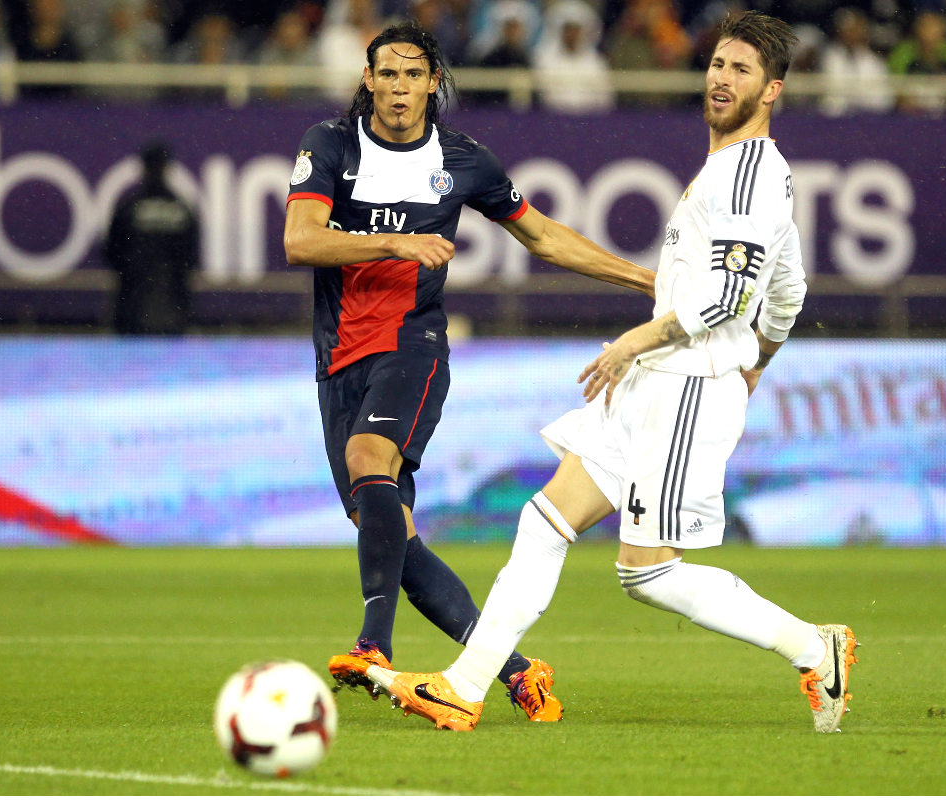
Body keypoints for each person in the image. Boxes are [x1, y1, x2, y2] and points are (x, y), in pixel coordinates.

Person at [364, 10, 859, 734]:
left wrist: (641, 343)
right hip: (660, 376)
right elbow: (787, 291)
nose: (722, 78)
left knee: (647, 572)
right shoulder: (731, 169)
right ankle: (463, 687)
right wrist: (762, 361)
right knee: (544, 521)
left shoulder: (752, 173)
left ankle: (817, 648)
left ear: (772, 90)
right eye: (718, 63)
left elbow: (731, 297)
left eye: (741, 70)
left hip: (685, 380)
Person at [281, 22, 655, 723]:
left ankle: (372, 646)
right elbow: (300, 241)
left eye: (412, 74)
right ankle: (518, 673)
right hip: (338, 360)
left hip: (412, 347)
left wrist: (643, 280)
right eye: (386, 74)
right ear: (368, 80)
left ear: (432, 83)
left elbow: (542, 235)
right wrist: (395, 241)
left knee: (370, 460)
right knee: (390, 533)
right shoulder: (330, 144)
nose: (398, 87)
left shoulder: (463, 161)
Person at [104, 141, 199, 336]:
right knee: (171, 365)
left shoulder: (129, 207)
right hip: (173, 310)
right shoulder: (181, 209)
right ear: (167, 168)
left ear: (143, 168)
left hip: (131, 309)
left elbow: (111, 253)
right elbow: (192, 257)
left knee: (130, 366)